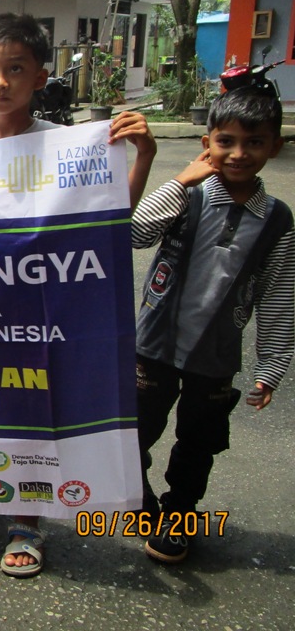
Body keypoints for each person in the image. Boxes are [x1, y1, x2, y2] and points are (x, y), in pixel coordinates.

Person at [0, 12, 157, 577]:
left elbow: (107, 223)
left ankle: (28, 519)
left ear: (40, 75)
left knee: (30, 412)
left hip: (37, 310)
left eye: (15, 69)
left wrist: (143, 156)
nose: (1, 82)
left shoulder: (65, 143)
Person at [132, 85, 293, 564]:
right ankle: (142, 508)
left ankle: (179, 516)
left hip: (215, 357)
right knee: (133, 434)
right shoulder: (190, 195)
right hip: (153, 347)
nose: (238, 154)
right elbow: (136, 233)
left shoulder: (277, 221)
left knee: (198, 444)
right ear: (208, 142)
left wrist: (271, 366)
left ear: (275, 147)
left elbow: (279, 296)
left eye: (254, 142)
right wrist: (180, 180)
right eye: (226, 141)